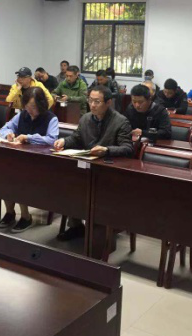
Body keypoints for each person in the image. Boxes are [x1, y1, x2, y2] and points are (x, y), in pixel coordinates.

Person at [53, 86, 133, 240]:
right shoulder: (85, 118)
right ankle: (76, 226)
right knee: (68, 185)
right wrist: (64, 141)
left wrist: (107, 150)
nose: (92, 105)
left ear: (108, 102)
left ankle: (98, 230)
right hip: (86, 167)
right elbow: (76, 138)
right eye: (90, 101)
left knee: (92, 192)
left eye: (97, 101)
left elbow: (128, 148)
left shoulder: (120, 121)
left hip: (108, 171)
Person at [0, 87, 59, 233]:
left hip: (41, 163)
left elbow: (52, 140)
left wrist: (29, 137)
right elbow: (3, 129)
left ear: (41, 104)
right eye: (27, 106)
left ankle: (26, 217)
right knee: (4, 174)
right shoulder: (21, 115)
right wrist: (9, 134)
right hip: (21, 160)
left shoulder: (51, 118)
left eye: (33, 106)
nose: (29, 110)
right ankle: (10, 213)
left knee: (18, 176)